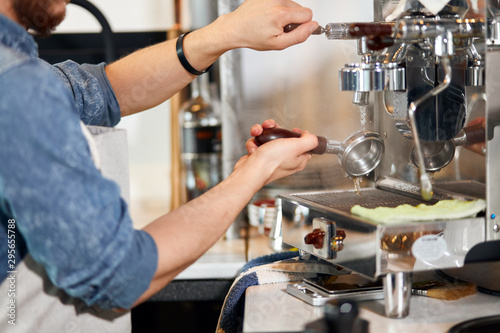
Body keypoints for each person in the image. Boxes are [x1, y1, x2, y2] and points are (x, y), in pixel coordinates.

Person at [0, 0, 319, 331]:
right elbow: (119, 274)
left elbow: (102, 92)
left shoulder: (15, 68)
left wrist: (227, 31)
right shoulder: (17, 86)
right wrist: (254, 173)